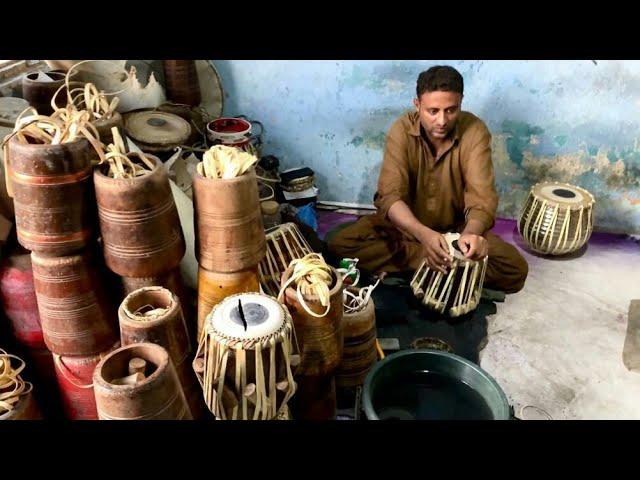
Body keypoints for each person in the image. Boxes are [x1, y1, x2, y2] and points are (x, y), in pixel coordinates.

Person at [328, 65, 528, 293]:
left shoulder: (475, 131)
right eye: (433, 111)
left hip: (456, 232)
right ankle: (434, 260)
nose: (442, 120)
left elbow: (481, 199)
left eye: (451, 110)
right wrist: (424, 238)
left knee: (514, 269)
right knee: (339, 245)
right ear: (417, 105)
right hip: (407, 227)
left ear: (461, 102)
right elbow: (390, 197)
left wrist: (471, 234)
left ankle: (435, 261)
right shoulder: (401, 131)